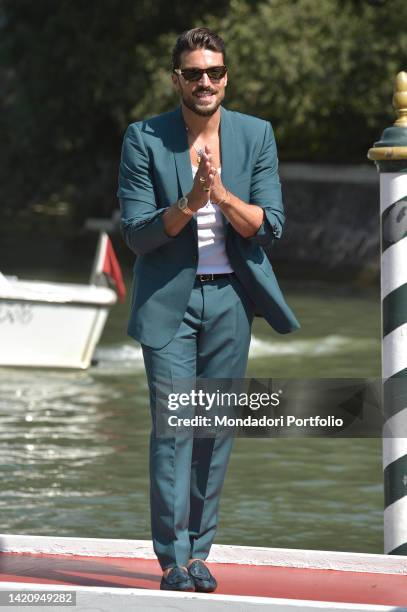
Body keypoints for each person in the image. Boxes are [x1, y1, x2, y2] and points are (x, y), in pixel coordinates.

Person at [117, 27, 300, 592]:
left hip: (231, 298)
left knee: (214, 430)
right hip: (169, 298)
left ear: (226, 77)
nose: (205, 82)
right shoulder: (144, 138)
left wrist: (219, 197)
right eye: (193, 72)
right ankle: (172, 559)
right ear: (176, 78)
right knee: (174, 429)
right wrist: (188, 203)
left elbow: (269, 226)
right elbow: (139, 236)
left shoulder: (255, 135)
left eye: (214, 72)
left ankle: (199, 553)